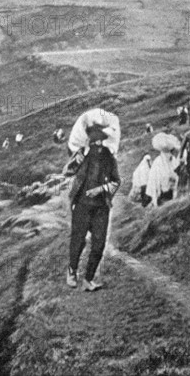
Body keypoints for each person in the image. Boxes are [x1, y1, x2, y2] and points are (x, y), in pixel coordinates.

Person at [63, 124, 121, 291]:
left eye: (100, 142)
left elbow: (117, 181)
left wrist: (100, 189)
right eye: (94, 142)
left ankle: (88, 279)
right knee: (78, 240)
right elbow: (67, 172)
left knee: (99, 244)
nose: (97, 146)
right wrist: (76, 160)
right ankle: (72, 271)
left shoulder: (109, 158)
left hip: (101, 207)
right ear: (89, 142)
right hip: (81, 205)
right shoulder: (82, 155)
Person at [145, 133, 181, 207]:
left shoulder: (172, 159)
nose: (169, 154)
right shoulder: (158, 162)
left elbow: (176, 172)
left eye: (170, 152)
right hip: (161, 192)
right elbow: (154, 180)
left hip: (170, 189)